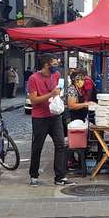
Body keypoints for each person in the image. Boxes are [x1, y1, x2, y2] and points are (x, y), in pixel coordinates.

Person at [27, 54, 74, 187]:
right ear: (46, 64)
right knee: (37, 147)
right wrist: (51, 94)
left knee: (60, 144)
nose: (56, 65)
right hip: (39, 117)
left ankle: (60, 177)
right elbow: (33, 100)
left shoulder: (56, 75)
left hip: (55, 116)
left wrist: (58, 96)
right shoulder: (33, 78)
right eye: (54, 63)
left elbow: (58, 92)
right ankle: (34, 176)